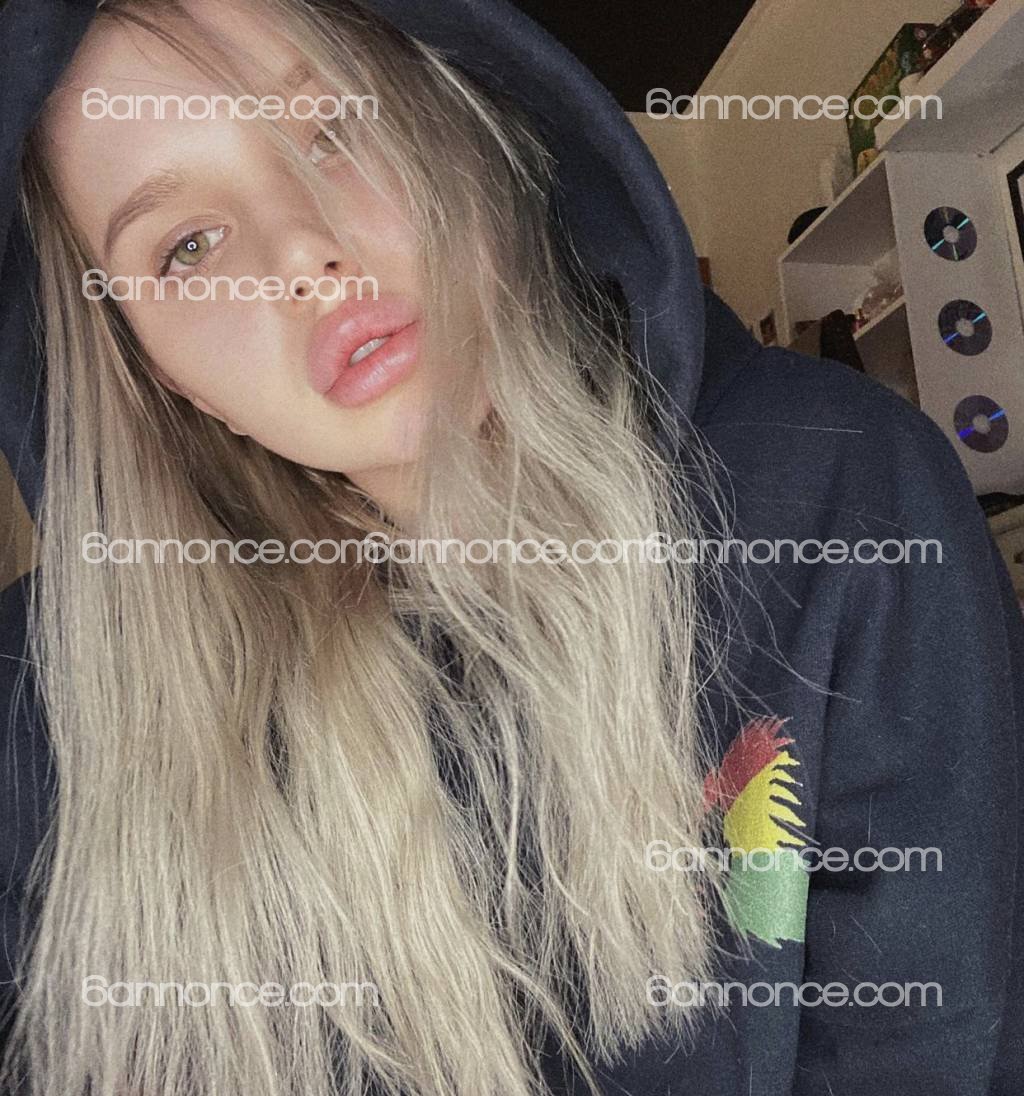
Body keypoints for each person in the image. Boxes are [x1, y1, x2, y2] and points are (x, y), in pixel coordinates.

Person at [0, 0, 1021, 1093]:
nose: (296, 252)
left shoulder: (839, 493)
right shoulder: (48, 712)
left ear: (462, 115)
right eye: (187, 248)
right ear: (161, 374)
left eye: (332, 128)